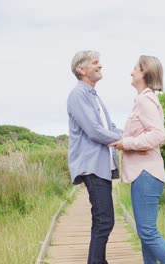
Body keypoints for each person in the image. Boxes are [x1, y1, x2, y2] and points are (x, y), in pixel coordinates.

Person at [109, 55, 165, 264]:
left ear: (144, 73)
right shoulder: (144, 99)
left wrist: (127, 143)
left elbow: (159, 135)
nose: (131, 72)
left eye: (135, 69)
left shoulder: (144, 100)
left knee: (148, 232)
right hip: (146, 174)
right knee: (145, 233)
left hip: (146, 174)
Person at [67, 50, 122, 264]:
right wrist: (123, 142)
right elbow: (94, 130)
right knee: (105, 220)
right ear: (82, 69)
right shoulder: (78, 95)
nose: (100, 65)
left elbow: (110, 127)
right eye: (95, 62)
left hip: (101, 166)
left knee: (102, 220)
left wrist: (133, 136)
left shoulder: (93, 95)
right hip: (92, 165)